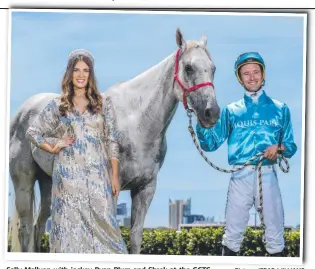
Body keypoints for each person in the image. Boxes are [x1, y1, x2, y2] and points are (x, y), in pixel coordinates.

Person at [26, 49, 128, 254]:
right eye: (76, 70)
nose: (81, 75)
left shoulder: (102, 103)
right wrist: (53, 146)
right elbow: (33, 132)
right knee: (68, 229)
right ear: (69, 73)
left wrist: (115, 175)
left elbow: (112, 140)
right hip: (67, 178)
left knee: (107, 228)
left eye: (86, 70)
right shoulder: (58, 105)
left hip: (98, 175)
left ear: (90, 74)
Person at [196, 52, 297, 257]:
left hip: (268, 175)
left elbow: (291, 145)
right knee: (232, 236)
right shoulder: (230, 111)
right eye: (246, 74)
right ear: (239, 78)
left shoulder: (280, 109)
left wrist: (277, 149)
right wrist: (200, 123)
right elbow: (211, 143)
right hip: (239, 177)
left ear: (263, 73)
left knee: (275, 235)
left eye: (255, 72)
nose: (252, 77)